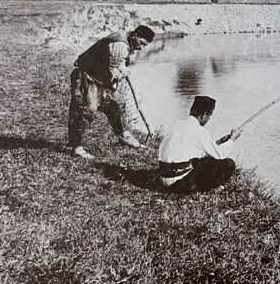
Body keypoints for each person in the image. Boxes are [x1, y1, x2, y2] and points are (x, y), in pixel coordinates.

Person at [68, 25, 156, 159]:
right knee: (86, 110)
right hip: (87, 76)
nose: (141, 48)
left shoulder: (128, 41)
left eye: (144, 46)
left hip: (100, 77)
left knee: (114, 105)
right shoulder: (120, 46)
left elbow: (115, 69)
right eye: (141, 43)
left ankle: (123, 136)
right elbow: (113, 72)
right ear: (135, 36)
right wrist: (122, 73)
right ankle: (77, 147)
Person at [157, 95, 241, 194]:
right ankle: (214, 188)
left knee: (203, 160)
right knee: (228, 164)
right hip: (179, 184)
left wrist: (219, 142)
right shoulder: (200, 131)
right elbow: (220, 155)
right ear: (203, 115)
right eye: (209, 115)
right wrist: (232, 140)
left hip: (163, 179)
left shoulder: (177, 124)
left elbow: (194, 149)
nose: (209, 119)